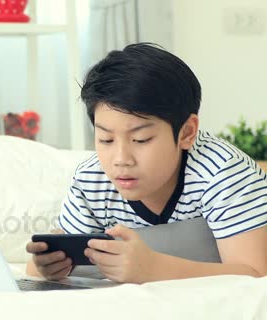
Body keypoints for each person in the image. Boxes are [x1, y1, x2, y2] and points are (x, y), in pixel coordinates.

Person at [26, 43, 267, 284]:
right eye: (106, 139)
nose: (121, 159)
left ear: (186, 132)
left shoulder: (224, 172)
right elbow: (41, 267)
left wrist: (153, 268)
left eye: (141, 139)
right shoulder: (91, 179)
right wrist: (50, 267)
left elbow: (256, 274)